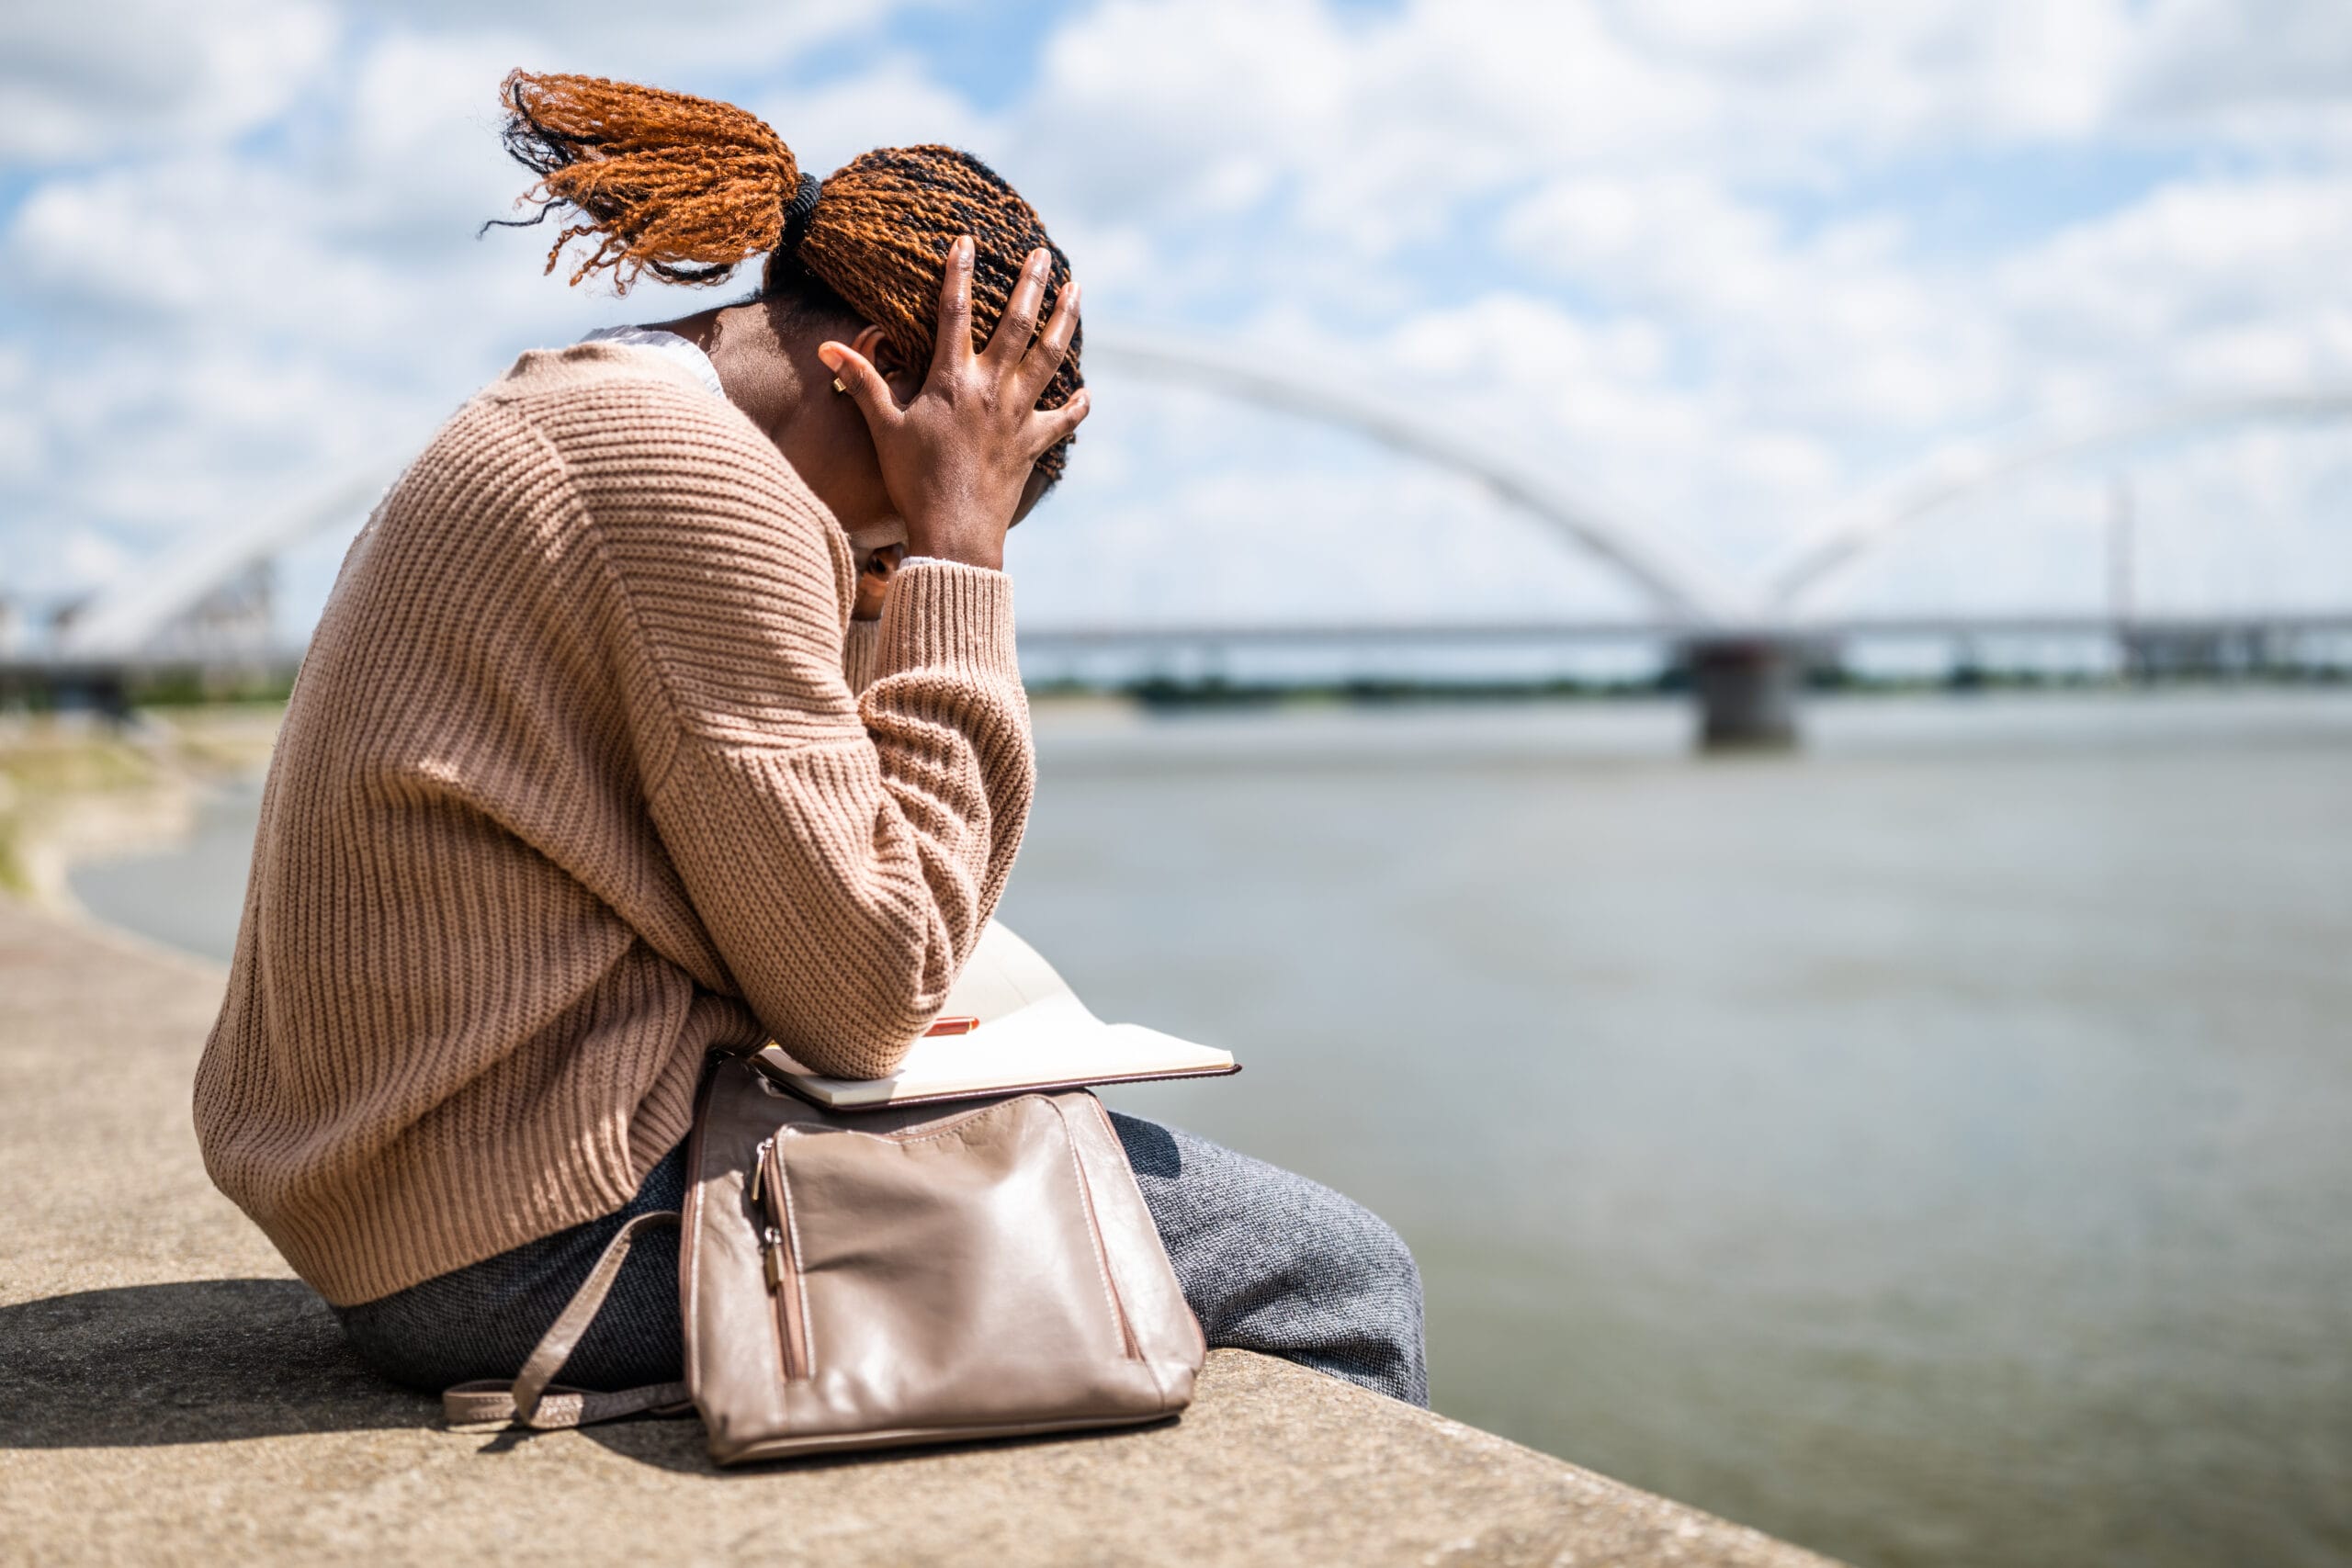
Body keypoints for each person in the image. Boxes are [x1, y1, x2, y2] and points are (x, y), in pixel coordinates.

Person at [193, 72, 1426, 1410]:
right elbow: (868, 995)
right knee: (1340, 1273)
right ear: (881, 373)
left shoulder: (599, 409)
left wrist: (874, 584)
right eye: (889, 527)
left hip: (413, 1187)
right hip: (521, 1236)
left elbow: (807, 865)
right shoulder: (701, 484)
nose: (873, 563)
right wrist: (959, 557)